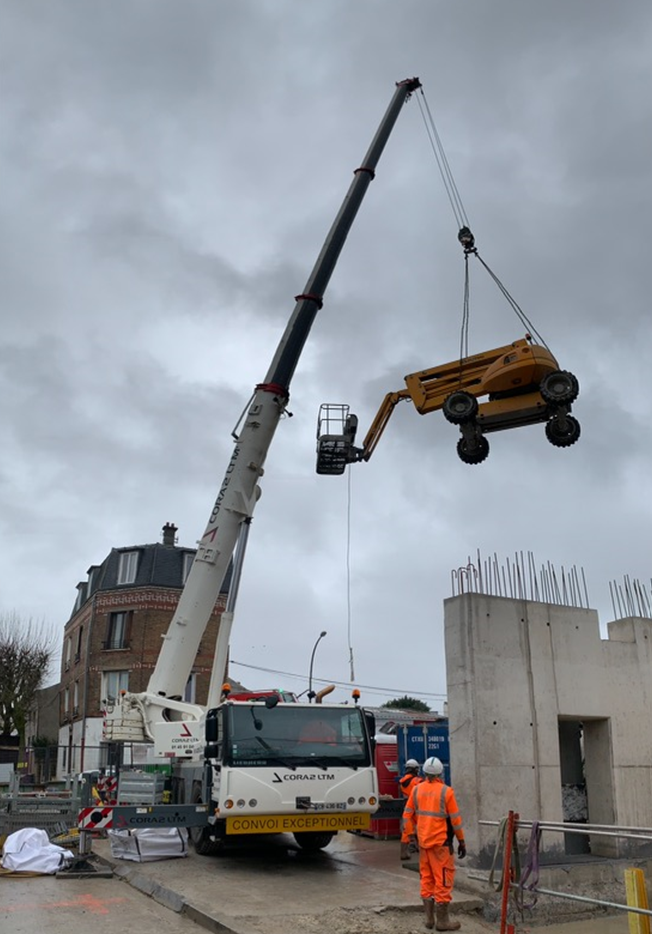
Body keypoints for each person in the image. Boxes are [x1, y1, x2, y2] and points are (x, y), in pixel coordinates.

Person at [403, 756, 466, 932]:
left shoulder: (416, 790)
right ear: (440, 773)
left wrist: (411, 836)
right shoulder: (446, 792)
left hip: (424, 843)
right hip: (441, 844)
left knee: (426, 878)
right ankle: (443, 921)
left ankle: (429, 919)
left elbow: (406, 815)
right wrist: (461, 841)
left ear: (424, 773)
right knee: (444, 879)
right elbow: (456, 821)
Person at [399, 758, 423, 860]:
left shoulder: (402, 782)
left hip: (408, 807)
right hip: (418, 808)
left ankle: (404, 853)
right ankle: (422, 850)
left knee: (407, 830)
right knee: (421, 828)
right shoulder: (417, 781)